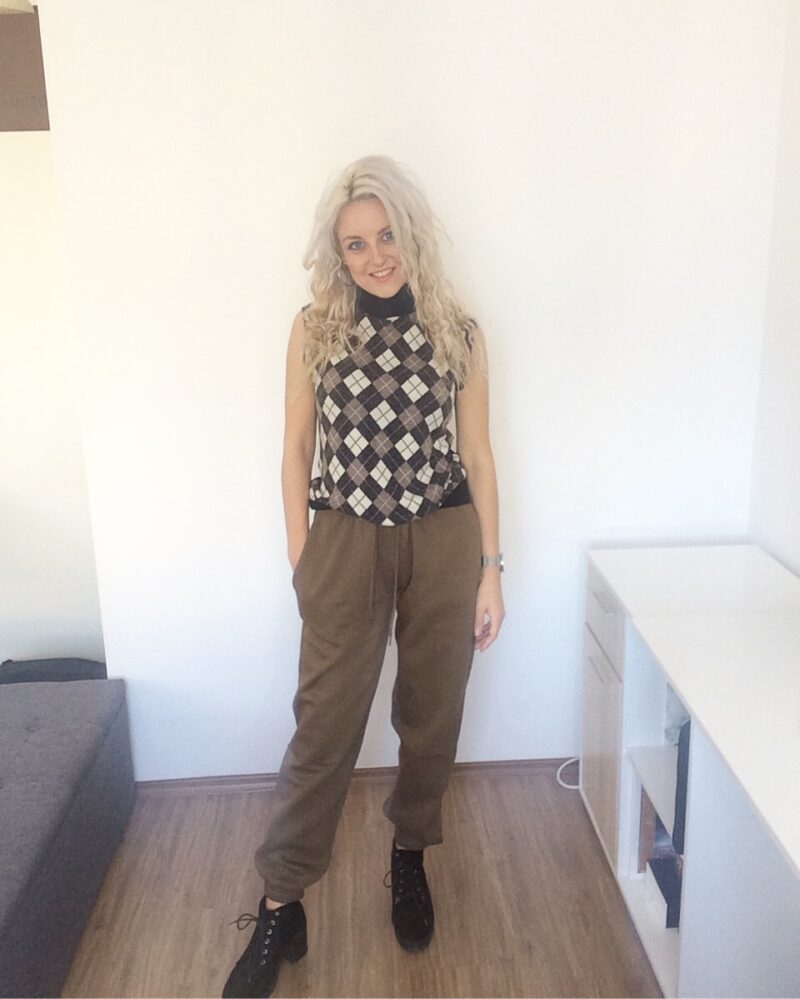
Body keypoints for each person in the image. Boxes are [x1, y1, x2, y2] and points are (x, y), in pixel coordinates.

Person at [222, 154, 505, 999]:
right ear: (336, 253)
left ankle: (408, 856)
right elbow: (293, 449)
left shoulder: (459, 331)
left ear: (411, 234)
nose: (376, 256)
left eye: (387, 236)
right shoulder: (315, 328)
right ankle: (280, 904)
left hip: (443, 538)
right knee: (324, 729)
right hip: (343, 540)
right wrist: (301, 553)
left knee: (431, 714)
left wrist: (491, 569)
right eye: (356, 243)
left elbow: (479, 455)